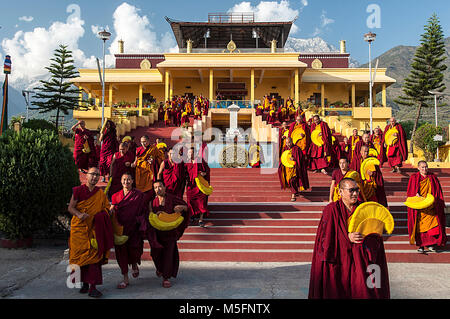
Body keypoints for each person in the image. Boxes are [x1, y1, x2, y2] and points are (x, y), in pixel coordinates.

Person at [309, 178, 390, 299]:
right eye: (351, 190)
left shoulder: (365, 209)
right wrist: (347, 237)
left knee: (364, 291)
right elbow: (325, 240)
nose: (355, 193)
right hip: (339, 261)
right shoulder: (331, 210)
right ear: (340, 192)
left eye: (357, 190)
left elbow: (375, 237)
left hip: (360, 259)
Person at [68, 167, 114, 298]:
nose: (95, 177)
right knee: (80, 256)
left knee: (94, 258)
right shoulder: (78, 191)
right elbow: (70, 207)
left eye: (97, 175)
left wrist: (107, 212)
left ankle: (92, 287)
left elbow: (105, 207)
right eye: (92, 174)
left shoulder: (100, 194)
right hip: (80, 229)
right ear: (86, 175)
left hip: (95, 229)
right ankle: (84, 283)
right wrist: (79, 214)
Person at [146, 179, 189, 288]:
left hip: (170, 233)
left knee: (168, 255)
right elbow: (150, 216)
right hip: (156, 233)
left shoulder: (173, 199)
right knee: (155, 254)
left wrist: (181, 208)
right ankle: (159, 269)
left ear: (165, 187)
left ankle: (166, 277)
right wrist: (156, 215)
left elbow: (187, 207)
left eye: (160, 186)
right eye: (155, 187)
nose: (158, 189)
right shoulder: (152, 202)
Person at [110, 172, 147, 289]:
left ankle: (135, 263)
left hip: (134, 229)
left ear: (132, 181)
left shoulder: (139, 195)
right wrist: (111, 210)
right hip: (120, 229)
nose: (126, 182)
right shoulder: (115, 196)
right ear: (121, 181)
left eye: (128, 180)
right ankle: (125, 278)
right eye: (124, 180)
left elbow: (144, 210)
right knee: (121, 254)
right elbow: (113, 208)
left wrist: (141, 221)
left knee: (135, 251)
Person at [406, 161, 447, 253]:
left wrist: (435, 202)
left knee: (433, 226)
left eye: (426, 167)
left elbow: (437, 191)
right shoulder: (414, 177)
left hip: (431, 206)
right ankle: (421, 246)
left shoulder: (432, 177)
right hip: (420, 207)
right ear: (418, 168)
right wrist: (416, 195)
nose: (425, 169)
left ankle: (431, 245)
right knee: (420, 227)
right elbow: (410, 192)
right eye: (422, 167)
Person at [131, 135, 164, 206]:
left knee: (149, 188)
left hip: (149, 170)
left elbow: (161, 158)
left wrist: (154, 161)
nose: (143, 143)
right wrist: (134, 164)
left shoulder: (153, 148)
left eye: (145, 141)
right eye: (142, 142)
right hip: (139, 170)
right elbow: (136, 159)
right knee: (139, 187)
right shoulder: (138, 149)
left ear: (148, 141)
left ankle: (149, 203)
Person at [185, 146, 210, 227]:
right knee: (190, 201)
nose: (190, 154)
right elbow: (184, 172)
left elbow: (207, 169)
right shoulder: (187, 162)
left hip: (199, 185)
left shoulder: (200, 160)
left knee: (201, 202)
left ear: (195, 153)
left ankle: (201, 219)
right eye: (189, 153)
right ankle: (192, 215)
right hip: (190, 185)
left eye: (191, 153)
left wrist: (204, 173)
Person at [278, 137, 310, 202]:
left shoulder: (296, 149)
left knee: (292, 180)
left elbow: (300, 158)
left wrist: (294, 159)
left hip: (295, 168)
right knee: (289, 180)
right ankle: (295, 192)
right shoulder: (285, 149)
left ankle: (293, 194)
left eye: (289, 142)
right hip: (287, 168)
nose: (288, 144)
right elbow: (283, 158)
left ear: (292, 142)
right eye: (286, 143)